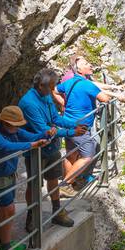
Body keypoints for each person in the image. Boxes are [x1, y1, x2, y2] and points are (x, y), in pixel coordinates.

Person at [0, 106, 53, 250]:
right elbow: (9, 147)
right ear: (5, 123)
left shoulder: (13, 131)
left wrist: (46, 133)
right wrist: (32, 145)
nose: (18, 128)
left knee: (2, 208)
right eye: (16, 125)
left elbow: (31, 137)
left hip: (7, 176)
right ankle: (5, 246)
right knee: (8, 208)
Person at [17, 68, 83, 228]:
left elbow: (54, 118)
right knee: (34, 184)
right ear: (41, 85)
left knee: (53, 178)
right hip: (36, 150)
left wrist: (74, 123)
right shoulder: (28, 103)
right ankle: (32, 216)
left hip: (51, 147)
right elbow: (44, 130)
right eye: (51, 86)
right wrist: (71, 131)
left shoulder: (45, 95)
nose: (53, 90)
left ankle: (56, 211)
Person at [56, 57, 125, 188]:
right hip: (81, 127)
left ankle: (70, 182)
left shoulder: (69, 82)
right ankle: (65, 185)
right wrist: (115, 95)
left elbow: (54, 90)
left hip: (67, 123)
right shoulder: (87, 84)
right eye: (86, 64)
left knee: (71, 155)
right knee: (88, 155)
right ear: (79, 69)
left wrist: (63, 103)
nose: (90, 65)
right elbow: (104, 99)